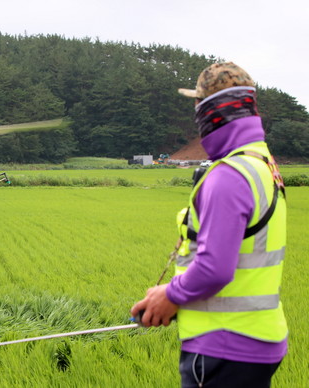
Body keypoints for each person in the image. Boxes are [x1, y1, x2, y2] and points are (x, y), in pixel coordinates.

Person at [130, 62, 287, 388]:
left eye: (197, 106)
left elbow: (215, 269)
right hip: (258, 340)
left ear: (208, 112)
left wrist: (169, 296)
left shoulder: (228, 177)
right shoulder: (262, 165)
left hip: (224, 347)